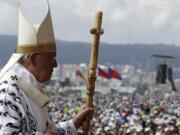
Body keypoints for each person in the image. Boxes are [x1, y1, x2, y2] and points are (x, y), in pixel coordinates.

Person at [0, 2, 93, 135]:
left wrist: (74, 123)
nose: (55, 64)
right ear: (33, 59)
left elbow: (50, 132)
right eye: (50, 57)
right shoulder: (8, 90)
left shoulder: (28, 87)